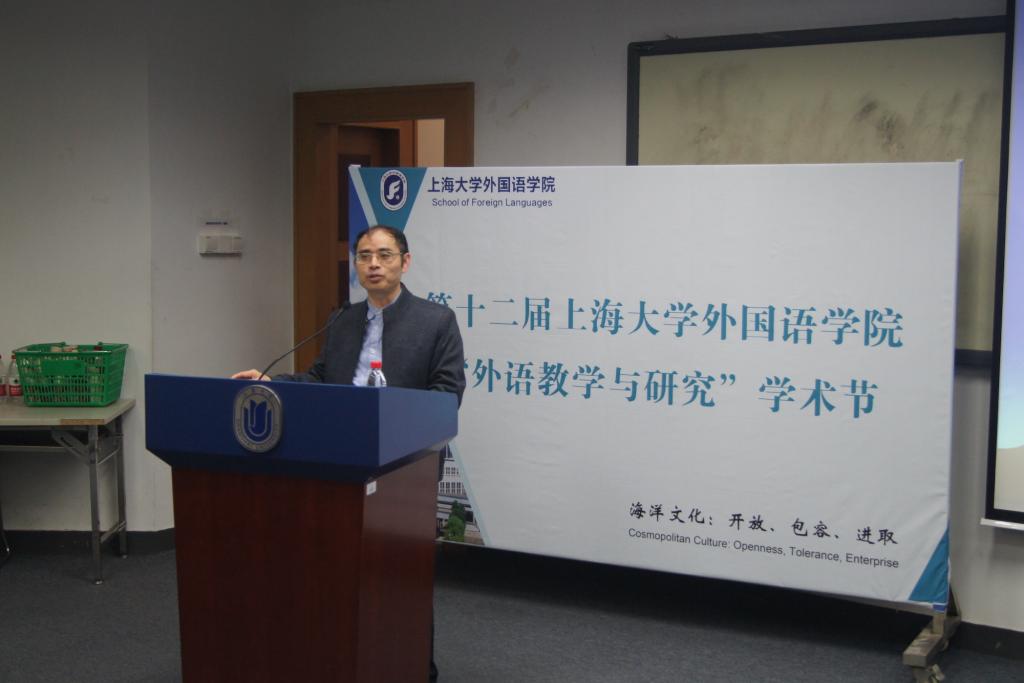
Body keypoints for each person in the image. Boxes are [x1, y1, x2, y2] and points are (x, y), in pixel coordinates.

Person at [233, 224, 464, 682]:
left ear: (405, 262)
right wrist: (272, 382)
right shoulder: (342, 319)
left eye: (384, 255)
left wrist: (394, 417)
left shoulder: (436, 320)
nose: (373, 264)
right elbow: (320, 378)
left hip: (405, 467)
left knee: (401, 574)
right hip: (339, 461)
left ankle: (413, 667)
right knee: (333, 569)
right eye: (363, 256)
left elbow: (447, 394)